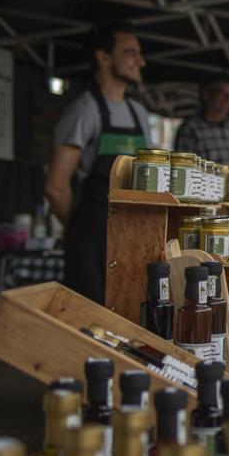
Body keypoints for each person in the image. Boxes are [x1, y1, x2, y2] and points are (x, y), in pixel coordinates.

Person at [46, 23, 152, 304]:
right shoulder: (84, 110)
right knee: (93, 319)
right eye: (131, 53)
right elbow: (56, 187)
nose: (140, 61)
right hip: (93, 236)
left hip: (133, 234)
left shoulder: (139, 113)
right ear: (103, 57)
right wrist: (79, 230)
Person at [174, 78, 229, 165]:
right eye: (223, 94)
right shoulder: (190, 129)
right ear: (206, 95)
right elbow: (183, 168)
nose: (228, 99)